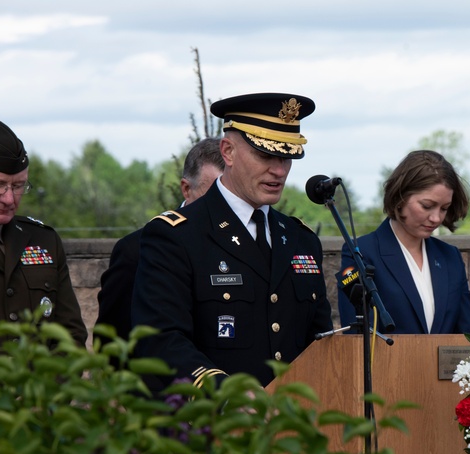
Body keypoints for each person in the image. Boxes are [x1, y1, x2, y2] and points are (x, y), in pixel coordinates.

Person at [131, 93, 332, 390]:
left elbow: (320, 344)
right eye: (266, 155)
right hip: (213, 425)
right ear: (228, 151)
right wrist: (226, 396)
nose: (279, 170)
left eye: (287, 157)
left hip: (293, 425)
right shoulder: (176, 236)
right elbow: (161, 339)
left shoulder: (301, 240)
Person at [0, 118, 87, 346]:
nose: (9, 198)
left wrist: (46, 382)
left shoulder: (43, 240)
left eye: (18, 186)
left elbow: (70, 336)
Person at [96, 137, 224, 339]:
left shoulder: (249, 246)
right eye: (213, 196)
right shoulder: (135, 251)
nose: (221, 207)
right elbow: (112, 342)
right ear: (186, 189)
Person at [337, 150, 470, 334]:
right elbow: (356, 337)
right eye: (427, 206)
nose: (436, 218)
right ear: (400, 197)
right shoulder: (361, 253)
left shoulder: (450, 256)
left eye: (444, 208)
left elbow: (466, 337)